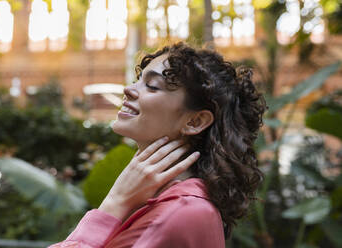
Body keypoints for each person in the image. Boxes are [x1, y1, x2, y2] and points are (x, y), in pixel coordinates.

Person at [49, 42, 266, 248]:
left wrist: (113, 205)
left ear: (195, 121)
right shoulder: (156, 200)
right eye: (139, 80)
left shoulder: (184, 211)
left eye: (152, 86)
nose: (129, 90)